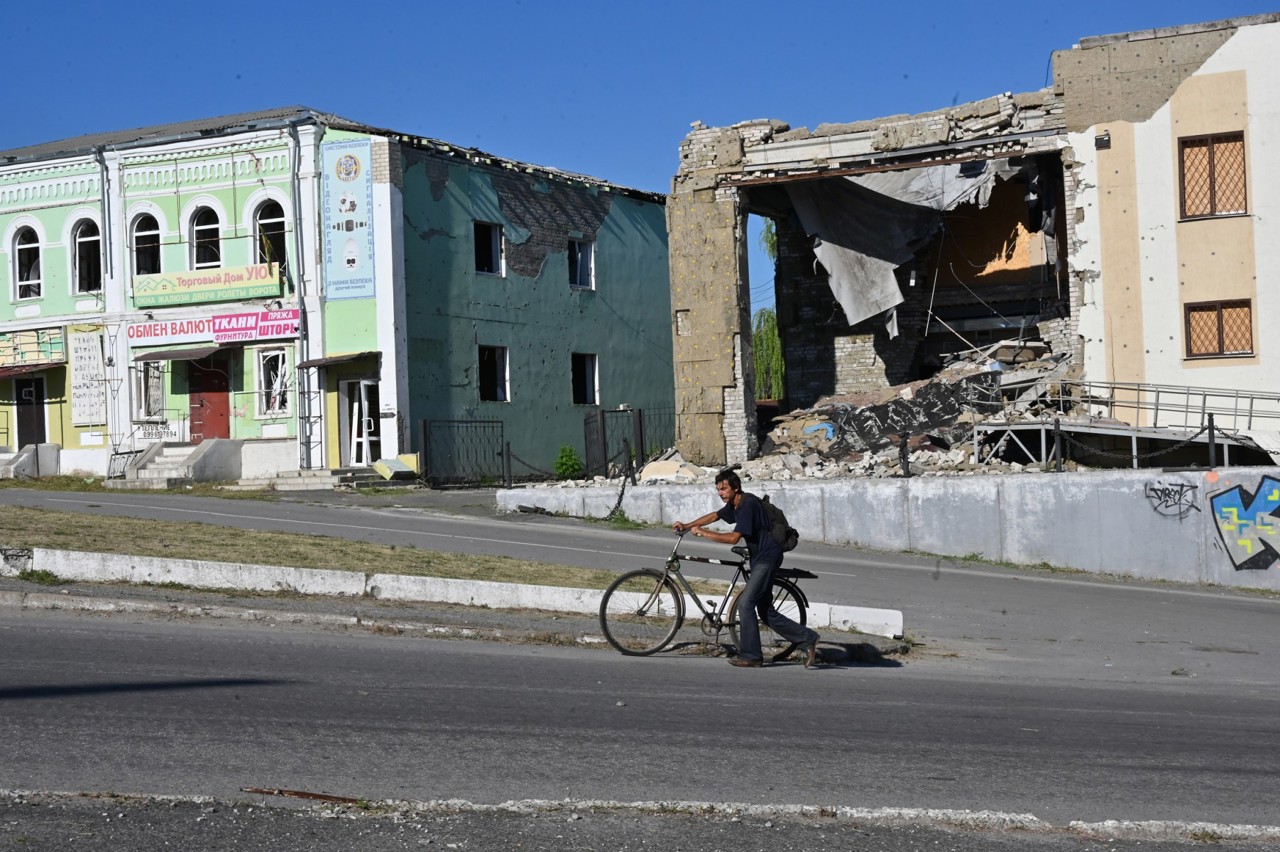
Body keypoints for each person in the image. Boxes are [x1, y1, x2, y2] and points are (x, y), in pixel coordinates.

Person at [674, 468, 820, 668]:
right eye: (718, 490)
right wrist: (688, 525)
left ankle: (751, 656)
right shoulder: (735, 505)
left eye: (724, 489)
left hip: (768, 558)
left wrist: (704, 533)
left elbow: (734, 538)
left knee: (745, 603)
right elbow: (715, 515)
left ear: (736, 488)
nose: (721, 493)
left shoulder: (748, 504)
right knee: (765, 610)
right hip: (758, 557)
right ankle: (808, 639)